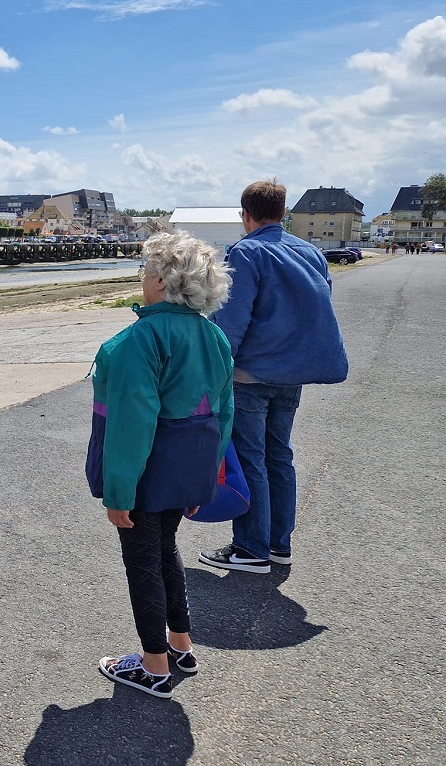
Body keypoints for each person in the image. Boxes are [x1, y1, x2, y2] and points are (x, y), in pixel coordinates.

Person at [86, 231, 234, 699]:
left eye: (145, 270)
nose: (142, 278)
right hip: (188, 468)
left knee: (142, 564)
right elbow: (224, 412)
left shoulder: (138, 339)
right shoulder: (213, 335)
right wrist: (208, 474)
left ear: (159, 279)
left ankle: (153, 667)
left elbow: (131, 423)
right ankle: (180, 645)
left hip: (146, 474)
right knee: (166, 549)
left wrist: (119, 493)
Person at [199, 180, 347, 575]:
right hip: (293, 373)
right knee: (279, 455)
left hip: (252, 375)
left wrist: (211, 371)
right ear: (284, 213)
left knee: (251, 460)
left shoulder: (246, 253)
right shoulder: (310, 252)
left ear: (245, 215)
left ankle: (251, 548)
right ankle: (279, 544)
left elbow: (233, 320)